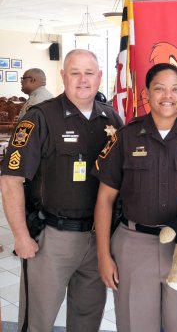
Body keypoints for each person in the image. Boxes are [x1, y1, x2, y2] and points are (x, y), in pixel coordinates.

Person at [93, 63, 177, 332]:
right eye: (160, 89)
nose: (168, 96)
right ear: (147, 93)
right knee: (135, 324)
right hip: (134, 246)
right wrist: (103, 255)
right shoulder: (126, 136)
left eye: (176, 89)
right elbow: (105, 199)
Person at [0, 49, 123, 332]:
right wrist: (20, 236)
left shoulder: (112, 119)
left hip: (98, 240)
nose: (83, 80)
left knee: (87, 321)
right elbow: (10, 180)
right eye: (75, 73)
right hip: (51, 240)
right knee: (38, 322)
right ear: (63, 76)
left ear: (100, 77)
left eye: (89, 73)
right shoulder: (40, 118)